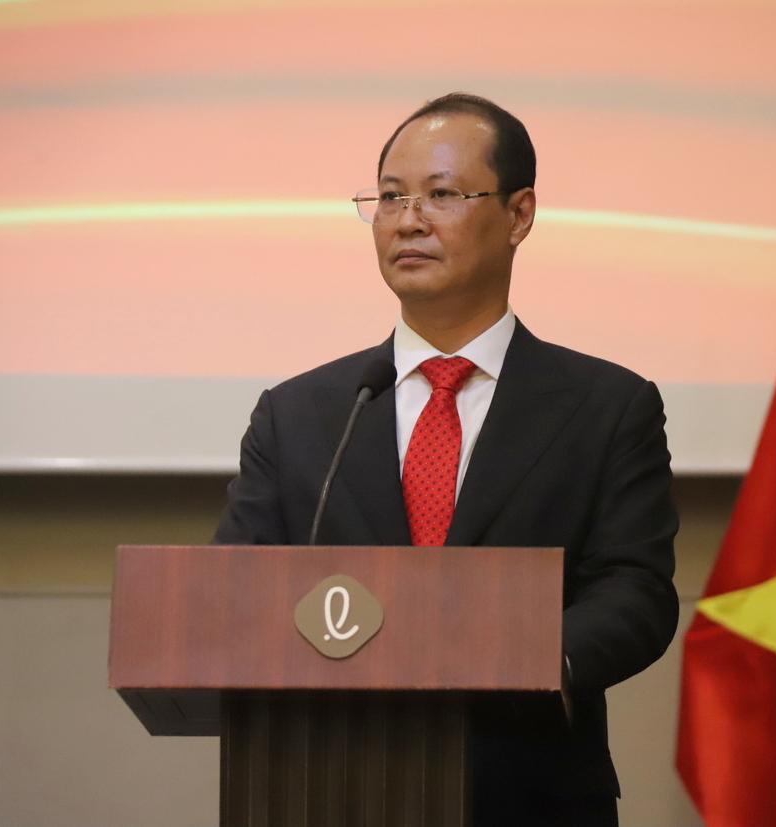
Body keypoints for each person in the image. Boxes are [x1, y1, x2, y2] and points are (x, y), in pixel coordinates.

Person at [214, 93, 679, 827]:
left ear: (520, 214)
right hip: (329, 787)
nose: (407, 220)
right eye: (389, 197)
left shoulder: (608, 407)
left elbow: (636, 590)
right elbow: (232, 591)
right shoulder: (299, 413)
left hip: (530, 794)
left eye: (442, 194)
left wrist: (523, 661)